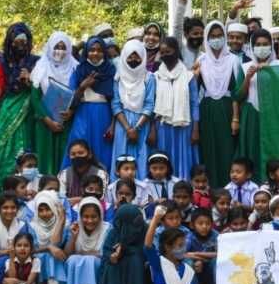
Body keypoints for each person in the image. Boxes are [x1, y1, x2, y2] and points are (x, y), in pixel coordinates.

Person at [0, 22, 39, 192]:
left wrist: (30, 79)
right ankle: (0, 190)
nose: (20, 46)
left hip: (28, 108)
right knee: (5, 149)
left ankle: (28, 189)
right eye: (16, 42)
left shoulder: (36, 62)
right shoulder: (3, 63)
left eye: (24, 42)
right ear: (10, 42)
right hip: (8, 109)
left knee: (26, 146)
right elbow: (0, 92)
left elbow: (42, 88)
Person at [197, 20, 243, 187]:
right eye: (212, 36)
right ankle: (210, 189)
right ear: (206, 39)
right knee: (209, 150)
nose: (216, 39)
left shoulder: (233, 60)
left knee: (227, 149)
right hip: (207, 110)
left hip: (227, 109)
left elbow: (236, 91)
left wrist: (236, 119)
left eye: (219, 36)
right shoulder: (201, 60)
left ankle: (227, 187)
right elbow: (195, 89)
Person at [60, 37, 116, 172]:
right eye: (91, 50)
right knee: (79, 147)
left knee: (101, 148)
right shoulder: (79, 71)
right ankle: (72, 183)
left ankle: (101, 185)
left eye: (99, 50)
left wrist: (113, 124)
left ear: (104, 52)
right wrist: (83, 86)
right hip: (82, 113)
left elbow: (116, 99)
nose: (95, 53)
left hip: (104, 114)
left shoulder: (111, 71)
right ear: (86, 52)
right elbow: (71, 98)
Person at [29, 31, 78, 176]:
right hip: (44, 123)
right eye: (57, 47)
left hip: (66, 122)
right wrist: (48, 120)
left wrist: (72, 112)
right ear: (50, 47)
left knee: (65, 155)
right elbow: (35, 98)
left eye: (64, 47)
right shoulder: (40, 68)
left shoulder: (75, 68)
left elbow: (80, 95)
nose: (60, 51)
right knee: (45, 158)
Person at [149, 37, 200, 178]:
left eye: (168, 51)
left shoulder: (189, 77)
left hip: (184, 125)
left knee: (183, 158)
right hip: (163, 126)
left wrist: (196, 129)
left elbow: (194, 104)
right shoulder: (156, 77)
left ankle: (182, 190)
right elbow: (152, 104)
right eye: (162, 52)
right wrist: (152, 129)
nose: (165, 55)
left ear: (177, 51)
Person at [235, 29, 279, 171]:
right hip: (251, 115)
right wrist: (248, 78)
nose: (262, 48)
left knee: (273, 150)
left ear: (271, 45)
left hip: (274, 116)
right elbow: (238, 96)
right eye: (258, 44)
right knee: (252, 149)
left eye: (265, 44)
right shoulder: (244, 67)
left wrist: (271, 71)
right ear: (252, 46)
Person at [110, 40, 156, 180]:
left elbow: (149, 104)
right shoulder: (118, 78)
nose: (133, 60)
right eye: (130, 56)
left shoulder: (149, 78)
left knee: (141, 160)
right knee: (121, 159)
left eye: (137, 56)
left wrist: (136, 128)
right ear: (124, 57)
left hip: (142, 124)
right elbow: (116, 104)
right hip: (122, 124)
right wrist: (128, 128)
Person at [96, 203, 147, 284]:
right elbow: (106, 253)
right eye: (135, 222)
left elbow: (146, 250)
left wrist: (124, 248)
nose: (138, 225)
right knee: (110, 265)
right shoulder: (114, 232)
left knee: (136, 260)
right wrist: (113, 256)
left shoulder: (144, 229)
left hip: (137, 262)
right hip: (118, 262)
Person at [64, 196, 111, 284]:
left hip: (100, 266)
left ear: (100, 216)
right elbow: (67, 255)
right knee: (72, 259)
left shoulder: (107, 229)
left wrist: (84, 254)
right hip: (80, 260)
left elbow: (105, 254)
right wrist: (74, 237)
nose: (89, 221)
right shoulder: (75, 227)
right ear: (80, 216)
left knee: (90, 261)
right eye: (85, 216)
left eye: (94, 217)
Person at [28, 190, 68, 284]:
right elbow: (31, 249)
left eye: (48, 209)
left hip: (56, 260)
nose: (44, 213)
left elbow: (56, 244)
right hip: (37, 259)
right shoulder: (32, 226)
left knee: (52, 257)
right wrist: (49, 248)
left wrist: (61, 220)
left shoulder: (63, 225)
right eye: (41, 210)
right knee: (49, 256)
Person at [186, 208, 219, 284]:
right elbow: (183, 254)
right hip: (196, 268)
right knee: (187, 263)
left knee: (216, 262)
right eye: (200, 223)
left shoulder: (216, 235)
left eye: (208, 223)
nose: (204, 227)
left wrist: (198, 256)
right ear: (192, 225)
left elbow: (220, 254)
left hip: (210, 267)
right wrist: (198, 259)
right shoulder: (189, 237)